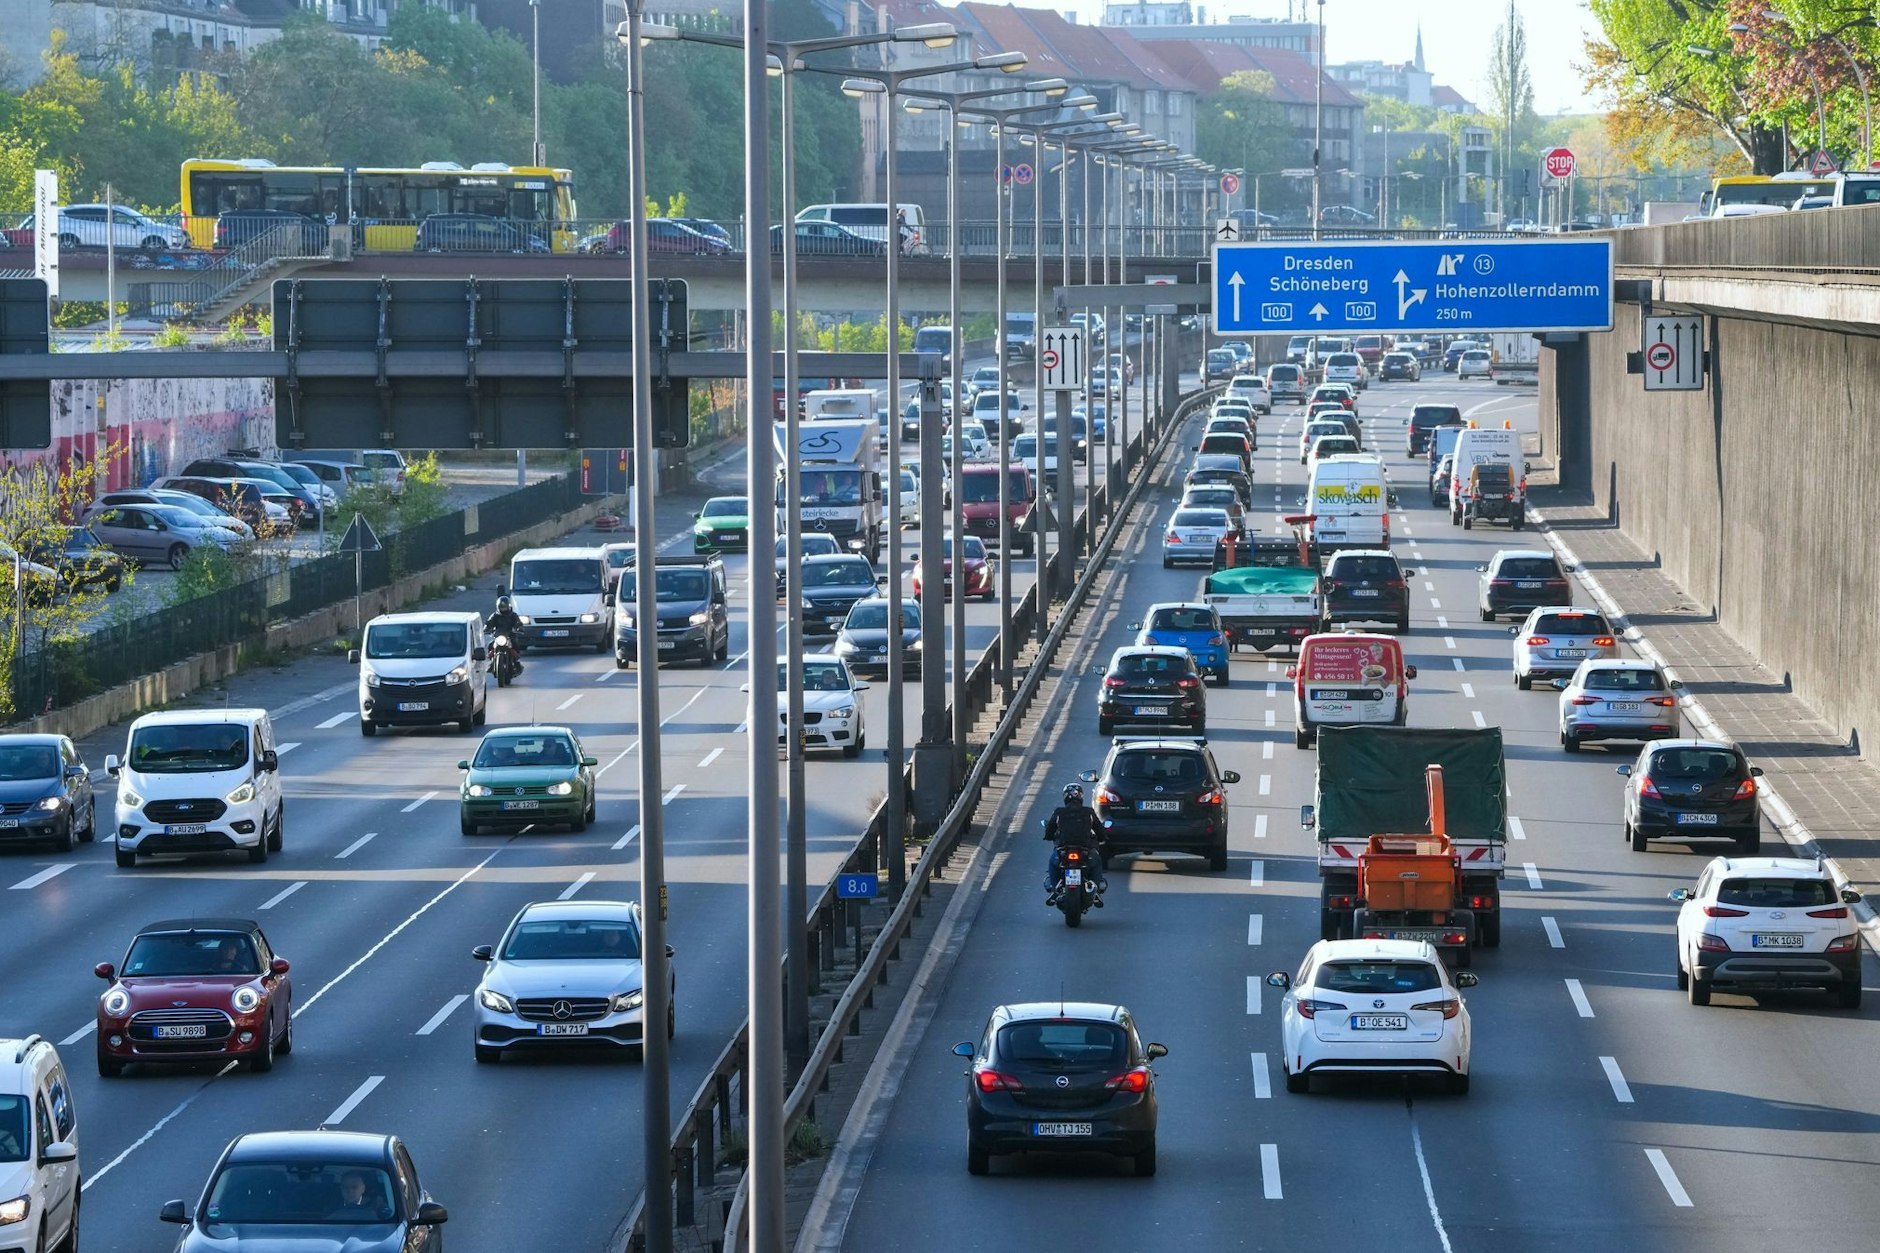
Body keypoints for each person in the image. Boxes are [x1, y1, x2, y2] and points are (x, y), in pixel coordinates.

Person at [1042, 784, 1106, 905]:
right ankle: (1095, 888)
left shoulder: (1059, 812)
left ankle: (1055, 887)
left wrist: (1048, 836)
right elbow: (1099, 829)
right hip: (1085, 848)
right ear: (1081, 797)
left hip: (1064, 848)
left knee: (1053, 862)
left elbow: (1050, 829)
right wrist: (1102, 837)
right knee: (1097, 862)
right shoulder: (1089, 812)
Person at [486, 595, 524, 674]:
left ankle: (517, 662)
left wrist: (519, 628)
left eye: (504, 607)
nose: (503, 609)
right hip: (498, 636)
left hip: (510, 635)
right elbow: (488, 623)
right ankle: (492, 662)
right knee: (490, 645)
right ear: (498, 607)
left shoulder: (513, 615)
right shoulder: (495, 615)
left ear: (508, 606)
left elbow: (518, 623)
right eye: (501, 607)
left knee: (515, 645)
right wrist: (486, 628)